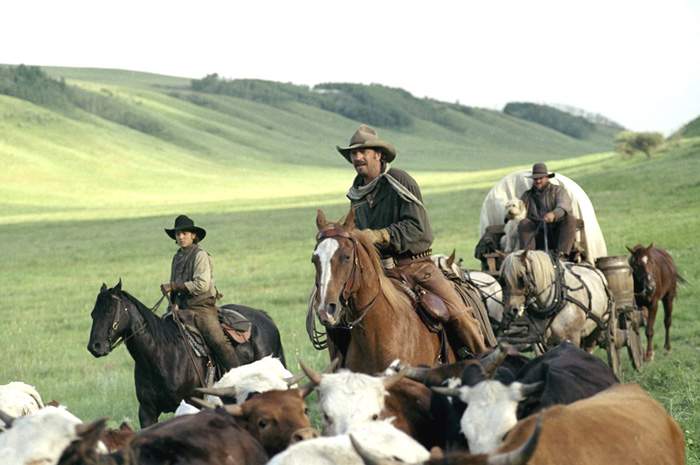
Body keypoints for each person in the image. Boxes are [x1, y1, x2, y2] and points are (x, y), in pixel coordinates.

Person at [336, 124, 488, 358]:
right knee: (339, 319)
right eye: (353, 154)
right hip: (379, 275)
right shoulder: (356, 193)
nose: (357, 157)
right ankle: (341, 373)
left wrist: (381, 235)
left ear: (378, 154)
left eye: (362, 152)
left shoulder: (398, 180)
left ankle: (484, 361)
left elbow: (417, 228)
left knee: (458, 314)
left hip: (416, 268)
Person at [161, 215, 239, 370]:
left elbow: (202, 285)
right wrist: (174, 305)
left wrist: (174, 285)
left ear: (193, 235)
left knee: (218, 341)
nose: (181, 237)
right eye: (178, 234)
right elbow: (174, 287)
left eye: (184, 233)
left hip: (201, 307)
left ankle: (237, 374)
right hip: (182, 307)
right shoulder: (177, 257)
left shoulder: (200, 255)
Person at [517, 163, 577, 256]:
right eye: (536, 179)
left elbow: (563, 206)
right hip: (536, 232)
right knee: (524, 223)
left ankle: (562, 255)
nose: (538, 181)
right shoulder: (527, 195)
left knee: (570, 219)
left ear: (547, 178)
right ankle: (528, 256)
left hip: (555, 231)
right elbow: (519, 210)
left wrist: (554, 214)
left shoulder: (558, 191)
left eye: (541, 178)